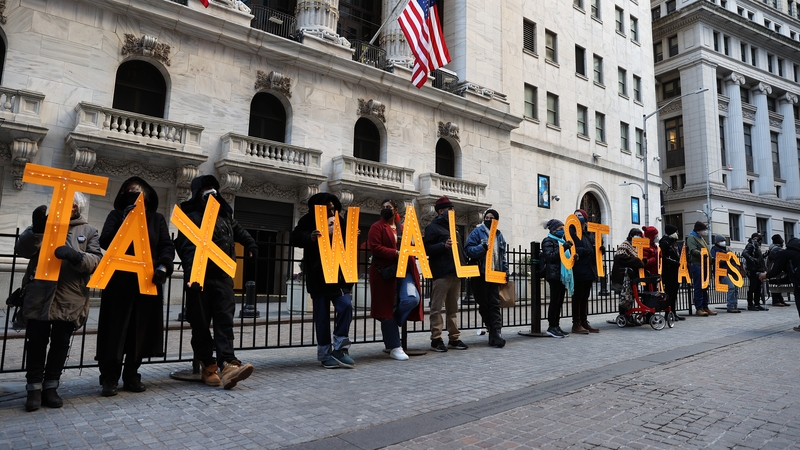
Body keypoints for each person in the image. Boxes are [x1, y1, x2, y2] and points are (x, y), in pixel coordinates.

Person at [17, 193, 102, 412]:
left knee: (61, 343)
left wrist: (76, 257)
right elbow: (23, 250)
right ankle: (33, 389)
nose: (70, 207)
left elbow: (96, 261)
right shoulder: (45, 225)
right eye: (65, 203)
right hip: (39, 294)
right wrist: (36, 230)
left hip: (70, 296)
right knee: (36, 342)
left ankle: (51, 387)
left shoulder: (89, 231)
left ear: (78, 208)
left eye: (74, 204)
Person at [175, 175, 257, 389]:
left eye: (214, 188)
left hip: (222, 276)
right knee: (200, 324)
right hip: (199, 278)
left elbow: (239, 232)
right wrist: (193, 275)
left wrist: (250, 244)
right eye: (206, 188)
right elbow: (186, 247)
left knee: (224, 321)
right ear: (197, 192)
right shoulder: (189, 216)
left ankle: (228, 364)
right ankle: (208, 366)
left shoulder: (225, 215)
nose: (211, 191)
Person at [95, 177, 175, 397]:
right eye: (129, 191)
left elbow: (166, 246)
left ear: (147, 195)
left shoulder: (156, 219)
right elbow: (105, 241)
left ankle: (132, 374)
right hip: (119, 282)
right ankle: (109, 377)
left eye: (138, 191)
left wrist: (164, 267)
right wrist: (125, 219)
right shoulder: (115, 216)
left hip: (147, 281)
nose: (134, 194)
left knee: (140, 330)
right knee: (115, 330)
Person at [290, 192, 355, 369]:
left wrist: (351, 235)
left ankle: (340, 348)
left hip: (339, 276)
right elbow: (294, 238)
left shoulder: (340, 220)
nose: (332, 209)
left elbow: (347, 245)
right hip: (319, 277)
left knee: (346, 306)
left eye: (334, 206)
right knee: (322, 317)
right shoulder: (308, 220)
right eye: (328, 206)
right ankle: (325, 355)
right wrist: (310, 237)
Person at [368, 199, 423, 361]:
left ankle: (395, 320)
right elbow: (375, 247)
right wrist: (395, 253)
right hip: (385, 273)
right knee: (386, 308)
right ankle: (394, 346)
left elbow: (412, 245)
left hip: (405, 271)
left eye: (388, 207)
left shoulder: (403, 227)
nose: (385, 210)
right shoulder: (376, 227)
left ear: (395, 210)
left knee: (412, 298)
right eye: (383, 207)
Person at [423, 196, 468, 352]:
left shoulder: (454, 228)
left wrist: (463, 266)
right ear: (441, 211)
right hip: (442, 273)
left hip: (456, 273)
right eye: (450, 209)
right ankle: (436, 339)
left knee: (453, 308)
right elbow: (427, 249)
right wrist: (443, 245)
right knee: (437, 307)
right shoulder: (432, 228)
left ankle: (454, 338)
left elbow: (460, 250)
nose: (453, 212)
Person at [465, 209, 509, 347]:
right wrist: (482, 247)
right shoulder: (477, 232)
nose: (489, 220)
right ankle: (491, 330)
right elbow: (468, 250)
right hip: (481, 274)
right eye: (487, 217)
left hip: (494, 274)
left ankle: (496, 332)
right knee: (483, 304)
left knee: (494, 304)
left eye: (492, 218)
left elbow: (502, 256)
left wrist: (506, 271)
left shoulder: (499, 235)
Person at [759, 237, 800, 331]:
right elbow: (789, 277)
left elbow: (776, 271)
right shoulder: (796, 255)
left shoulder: (784, 254)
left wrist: (766, 275)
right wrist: (772, 281)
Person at [541, 219, 573, 338]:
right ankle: (551, 326)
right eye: (560, 229)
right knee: (554, 301)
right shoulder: (548, 241)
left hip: (563, 275)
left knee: (559, 302)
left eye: (563, 229)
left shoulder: (561, 241)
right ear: (553, 230)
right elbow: (550, 257)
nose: (562, 231)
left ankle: (556, 325)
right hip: (554, 275)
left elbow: (566, 258)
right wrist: (563, 248)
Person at [569, 209, 599, 334]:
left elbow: (593, 246)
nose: (577, 217)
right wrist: (582, 251)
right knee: (578, 296)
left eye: (580, 215)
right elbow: (570, 247)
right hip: (578, 268)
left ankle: (584, 321)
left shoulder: (588, 233)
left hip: (589, 268)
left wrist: (598, 249)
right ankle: (576, 323)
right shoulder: (571, 231)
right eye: (575, 215)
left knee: (585, 296)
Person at [610, 228, 646, 322]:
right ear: (631, 235)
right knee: (624, 297)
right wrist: (637, 261)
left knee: (630, 297)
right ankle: (623, 315)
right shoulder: (625, 245)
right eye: (637, 235)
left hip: (631, 277)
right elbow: (620, 257)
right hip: (623, 276)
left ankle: (628, 314)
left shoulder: (635, 246)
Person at [686, 221, 716, 316]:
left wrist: (711, 258)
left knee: (705, 286)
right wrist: (704, 255)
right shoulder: (692, 238)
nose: (704, 232)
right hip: (697, 264)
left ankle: (705, 306)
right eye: (703, 230)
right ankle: (699, 307)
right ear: (699, 230)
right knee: (698, 286)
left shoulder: (700, 238)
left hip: (704, 264)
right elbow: (693, 250)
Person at [659, 224, 684, 320]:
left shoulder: (674, 242)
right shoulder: (665, 242)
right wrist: (673, 262)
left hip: (675, 271)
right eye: (676, 231)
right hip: (669, 271)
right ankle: (667, 313)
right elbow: (663, 257)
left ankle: (673, 312)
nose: (678, 233)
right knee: (669, 293)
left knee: (674, 293)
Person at [710, 234, 740, 313]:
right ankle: (730, 306)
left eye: (724, 241)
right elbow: (716, 261)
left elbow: (733, 260)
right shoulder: (714, 249)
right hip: (723, 272)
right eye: (721, 241)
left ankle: (734, 305)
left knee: (735, 288)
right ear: (717, 242)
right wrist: (726, 258)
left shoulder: (727, 250)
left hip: (731, 272)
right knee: (731, 287)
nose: (723, 242)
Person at [742, 232, 767, 311]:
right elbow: (744, 253)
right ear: (755, 238)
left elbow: (758, 258)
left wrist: (764, 255)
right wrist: (753, 260)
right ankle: (750, 304)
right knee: (753, 287)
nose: (761, 240)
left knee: (758, 287)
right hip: (753, 269)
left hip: (758, 269)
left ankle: (757, 303)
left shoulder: (756, 245)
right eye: (759, 238)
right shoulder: (751, 245)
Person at [766, 234, 789, 307]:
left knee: (777, 284)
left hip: (775, 269)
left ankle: (780, 299)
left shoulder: (774, 249)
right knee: (775, 284)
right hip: (774, 269)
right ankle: (776, 300)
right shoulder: (776, 249)